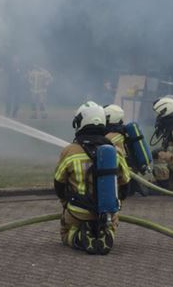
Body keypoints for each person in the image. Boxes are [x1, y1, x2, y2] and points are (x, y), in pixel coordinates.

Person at [54, 102, 130, 254]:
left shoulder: (69, 151)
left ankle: (77, 237)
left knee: (65, 231)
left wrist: (65, 204)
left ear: (80, 123)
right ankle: (107, 233)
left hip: (78, 211)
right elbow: (125, 182)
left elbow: (59, 183)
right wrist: (116, 204)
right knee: (112, 221)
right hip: (107, 213)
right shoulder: (114, 151)